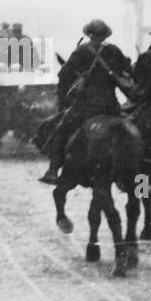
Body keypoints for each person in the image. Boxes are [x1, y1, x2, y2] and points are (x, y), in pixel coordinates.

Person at [39, 19, 134, 184]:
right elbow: (131, 72)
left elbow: (64, 76)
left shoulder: (81, 51)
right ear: (105, 35)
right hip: (111, 107)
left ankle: (53, 170)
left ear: (89, 34)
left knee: (61, 131)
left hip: (84, 108)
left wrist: (64, 99)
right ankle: (143, 186)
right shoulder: (114, 50)